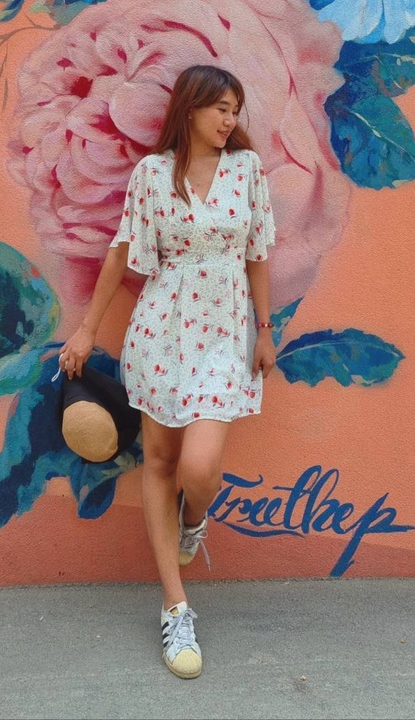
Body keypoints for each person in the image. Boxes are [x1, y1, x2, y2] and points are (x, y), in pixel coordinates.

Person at [57, 63, 278, 679]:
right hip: (161, 330)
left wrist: (264, 330)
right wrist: (87, 328)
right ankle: (175, 607)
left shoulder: (247, 170)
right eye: (221, 108)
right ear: (190, 108)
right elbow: (121, 252)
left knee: (199, 468)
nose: (230, 120)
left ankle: (193, 519)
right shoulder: (152, 175)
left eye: (235, 111)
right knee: (158, 462)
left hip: (225, 333)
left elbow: (258, 254)